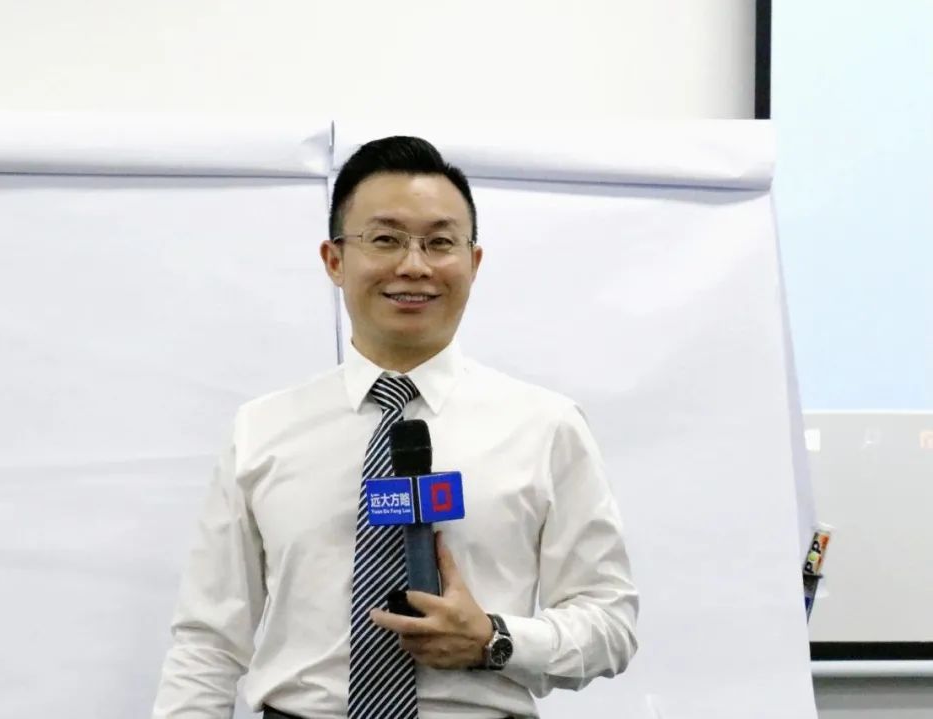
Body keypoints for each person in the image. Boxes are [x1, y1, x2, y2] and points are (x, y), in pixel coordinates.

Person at [153, 136, 638, 719]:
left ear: (474, 263)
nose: (414, 265)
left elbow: (610, 622)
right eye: (385, 239)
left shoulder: (546, 426)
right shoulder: (261, 429)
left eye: (440, 242)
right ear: (334, 260)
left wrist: (495, 638)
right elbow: (207, 641)